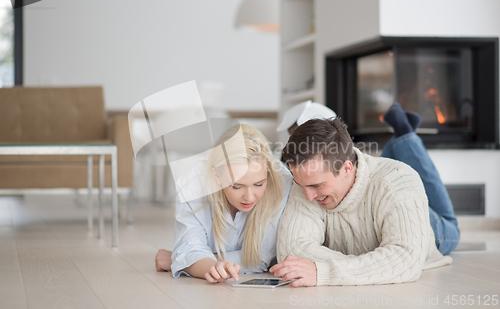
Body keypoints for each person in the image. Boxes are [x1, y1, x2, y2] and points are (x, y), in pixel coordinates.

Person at [270, 106, 458, 287]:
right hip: (376, 205)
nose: (307, 196)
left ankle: (406, 137)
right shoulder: (306, 180)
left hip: (431, 226)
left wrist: (323, 272)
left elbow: (405, 258)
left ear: (347, 168)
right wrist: (374, 264)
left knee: (452, 227)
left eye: (317, 186)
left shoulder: (398, 181)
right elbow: (292, 251)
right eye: (301, 185)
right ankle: (397, 142)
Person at [155, 124, 293, 283]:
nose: (249, 197)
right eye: (236, 186)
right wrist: (206, 265)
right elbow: (189, 248)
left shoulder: (281, 181)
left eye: (259, 184)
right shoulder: (193, 184)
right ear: (217, 176)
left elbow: (263, 256)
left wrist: (185, 261)